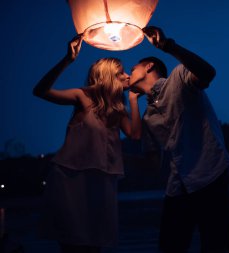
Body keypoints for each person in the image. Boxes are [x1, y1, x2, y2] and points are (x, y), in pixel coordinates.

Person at [127, 26, 229, 253]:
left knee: (217, 245)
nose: (129, 72)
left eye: (133, 67)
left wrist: (168, 46)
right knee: (169, 246)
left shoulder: (179, 77)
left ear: (149, 66)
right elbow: (152, 162)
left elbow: (208, 73)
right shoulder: (148, 116)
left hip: (209, 173)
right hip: (179, 184)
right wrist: (114, 156)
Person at [33, 35, 141, 253]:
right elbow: (40, 91)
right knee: (73, 242)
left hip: (102, 180)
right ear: (109, 76)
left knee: (95, 243)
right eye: (121, 72)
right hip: (71, 178)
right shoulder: (82, 96)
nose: (128, 76)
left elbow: (135, 135)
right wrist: (67, 60)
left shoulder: (118, 110)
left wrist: (132, 100)